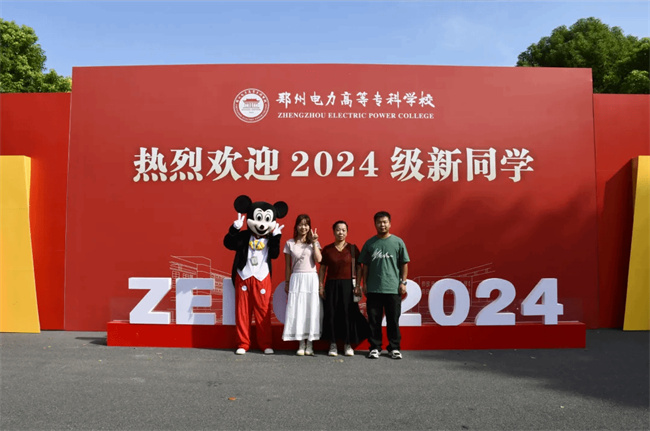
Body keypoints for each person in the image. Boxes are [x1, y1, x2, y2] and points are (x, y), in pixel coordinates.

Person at [359, 211, 410, 360]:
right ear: (375, 224)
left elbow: (404, 263)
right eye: (379, 222)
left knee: (393, 320)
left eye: (385, 222)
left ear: (390, 223)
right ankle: (375, 348)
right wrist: (364, 284)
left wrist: (403, 282)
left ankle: (394, 348)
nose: (382, 225)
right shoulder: (370, 243)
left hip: (393, 288)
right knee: (374, 320)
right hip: (374, 288)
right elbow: (365, 266)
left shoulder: (398, 242)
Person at [319, 220, 369, 356]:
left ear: (347, 232)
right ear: (333, 232)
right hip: (331, 285)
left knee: (348, 314)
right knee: (331, 314)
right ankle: (333, 344)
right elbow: (322, 269)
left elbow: (359, 268)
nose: (340, 232)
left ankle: (348, 344)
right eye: (338, 230)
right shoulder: (327, 249)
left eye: (343, 230)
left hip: (348, 285)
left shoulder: (352, 249)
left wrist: (358, 285)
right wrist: (321, 286)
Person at [282, 214, 322, 356]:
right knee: (298, 310)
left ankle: (310, 344)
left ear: (309, 227)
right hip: (296, 279)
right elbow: (288, 266)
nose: (303, 227)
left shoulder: (314, 243)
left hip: (311, 278)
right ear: (296, 226)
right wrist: (287, 282)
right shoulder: (289, 243)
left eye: (306, 224)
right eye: (301, 224)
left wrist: (314, 243)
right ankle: (301, 343)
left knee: (311, 309)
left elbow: (319, 259)